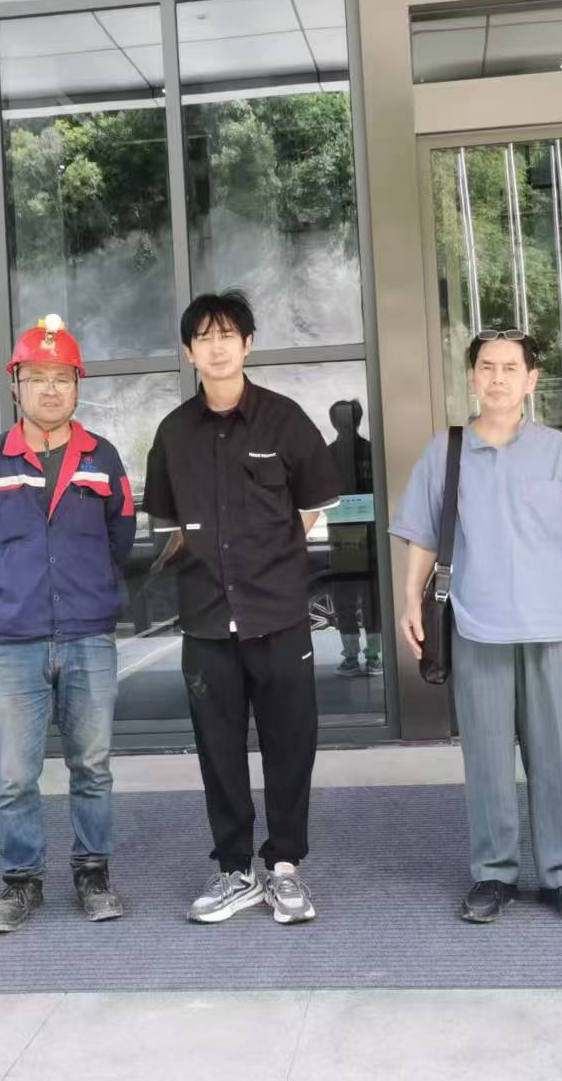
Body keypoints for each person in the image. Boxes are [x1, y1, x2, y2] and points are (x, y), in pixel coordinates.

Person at [391, 329, 562, 927]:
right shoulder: (447, 451)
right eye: (486, 367)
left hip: (547, 625)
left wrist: (551, 569)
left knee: (551, 755)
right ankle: (494, 873)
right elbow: (421, 533)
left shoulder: (558, 452)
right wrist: (410, 599)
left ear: (531, 380)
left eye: (510, 368)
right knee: (487, 756)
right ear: (472, 378)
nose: (497, 378)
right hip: (476, 622)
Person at [144, 291, 342, 925]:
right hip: (206, 620)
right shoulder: (174, 433)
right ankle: (234, 870)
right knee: (219, 750)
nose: (217, 346)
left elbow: (314, 504)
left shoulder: (285, 420)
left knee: (290, 745)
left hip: (279, 616)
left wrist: (270, 557)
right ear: (189, 352)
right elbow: (170, 522)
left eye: (228, 334)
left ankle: (284, 868)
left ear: (248, 344)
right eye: (204, 337)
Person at [0, 314, 137, 934]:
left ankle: (93, 874)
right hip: (14, 642)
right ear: (16, 386)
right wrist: (12, 590)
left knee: (93, 767)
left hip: (88, 636)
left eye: (62, 377)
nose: (50, 388)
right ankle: (21, 882)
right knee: (14, 775)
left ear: (78, 385)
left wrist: (87, 588)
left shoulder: (102, 458)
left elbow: (120, 536)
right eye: (37, 377)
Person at [327, 398, 382, 678]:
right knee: (367, 597)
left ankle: (355, 657)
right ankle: (371, 657)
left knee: (349, 598)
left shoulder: (327, 455)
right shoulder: (372, 452)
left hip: (344, 538)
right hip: (366, 536)